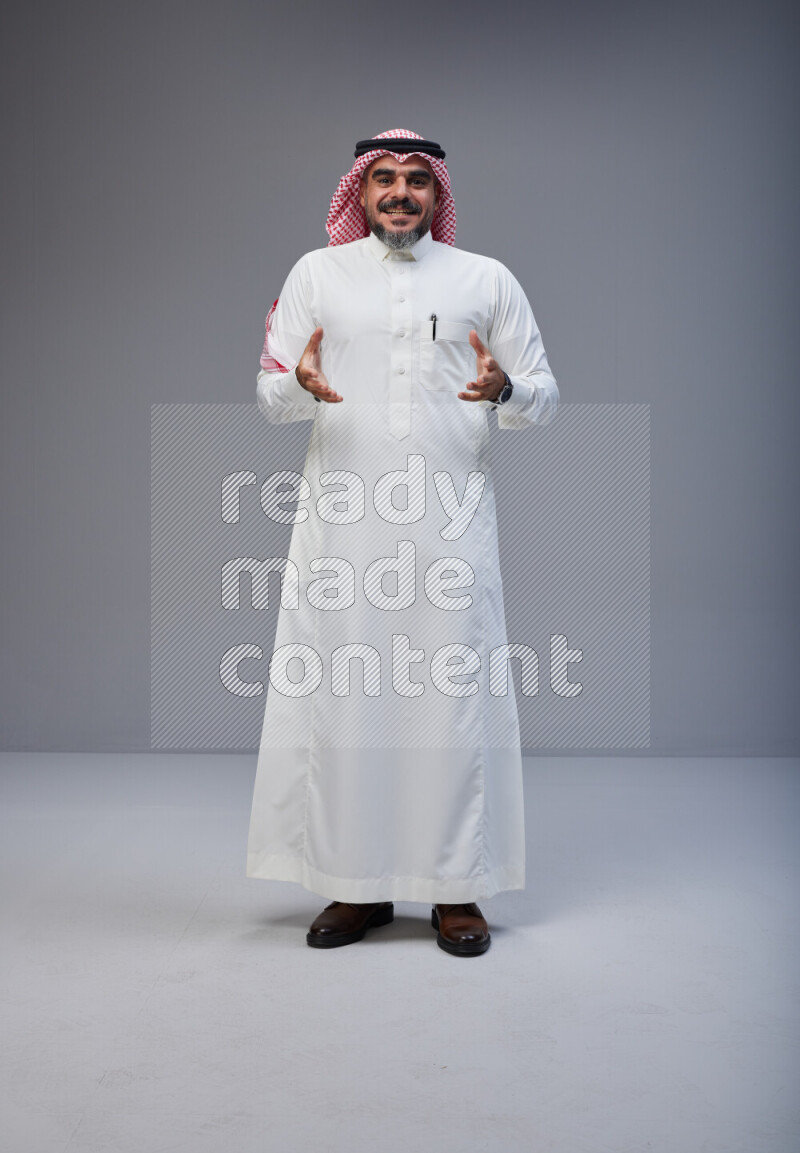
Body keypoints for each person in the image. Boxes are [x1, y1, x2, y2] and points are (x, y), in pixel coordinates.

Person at [246, 129, 559, 956]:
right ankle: (356, 885)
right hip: (344, 530)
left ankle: (456, 889)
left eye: (417, 180)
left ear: (436, 194)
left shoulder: (486, 280)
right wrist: (298, 383)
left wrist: (506, 388)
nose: (399, 192)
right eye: (383, 178)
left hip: (451, 530)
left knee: (449, 704)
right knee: (348, 701)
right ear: (359, 191)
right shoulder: (316, 275)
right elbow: (270, 394)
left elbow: (545, 396)